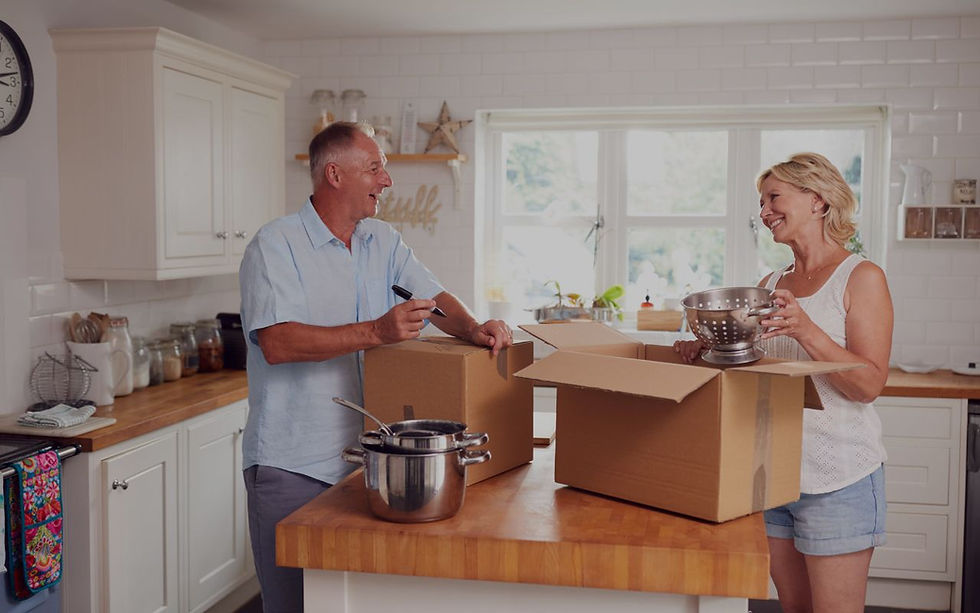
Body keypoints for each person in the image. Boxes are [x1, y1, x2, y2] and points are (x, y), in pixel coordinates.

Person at [239, 121, 513, 613]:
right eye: (375, 168)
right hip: (291, 467)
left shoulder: (380, 240)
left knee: (350, 602)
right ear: (335, 174)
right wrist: (377, 332)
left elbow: (434, 300)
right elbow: (277, 343)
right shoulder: (274, 246)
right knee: (293, 605)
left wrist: (473, 329)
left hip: (365, 466)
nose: (386, 180)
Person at [674, 152, 893, 613]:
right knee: (793, 608)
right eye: (761, 202)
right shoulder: (771, 283)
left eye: (774, 197)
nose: (764, 211)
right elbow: (756, 372)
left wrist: (806, 329)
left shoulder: (862, 276)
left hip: (839, 478)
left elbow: (869, 385)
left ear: (817, 200)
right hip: (773, 476)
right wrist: (706, 351)